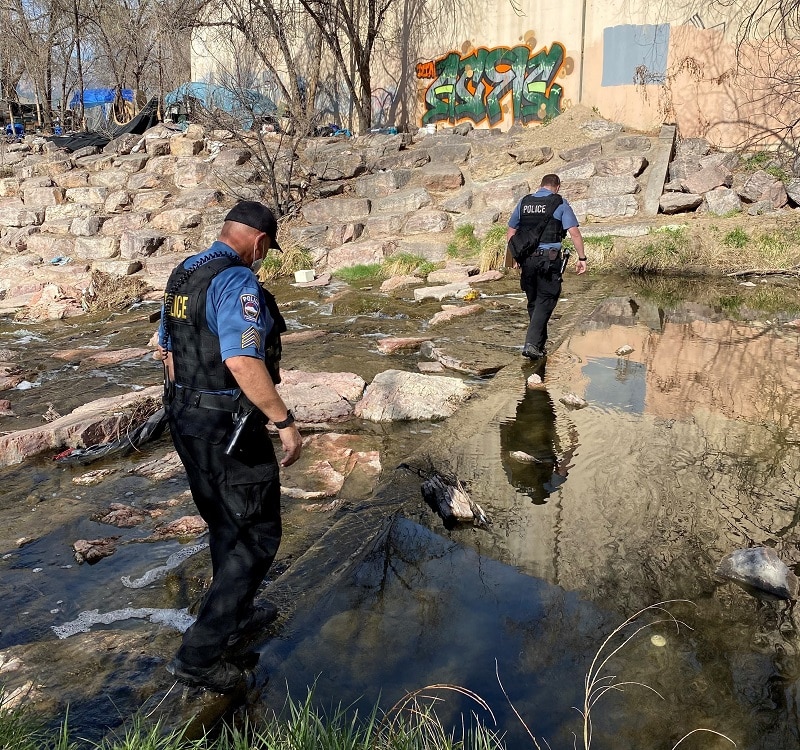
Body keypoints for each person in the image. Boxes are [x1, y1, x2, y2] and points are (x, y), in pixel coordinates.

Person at [157, 200, 302, 693]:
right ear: (259, 242)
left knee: (223, 521)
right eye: (266, 251)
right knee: (255, 538)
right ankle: (198, 656)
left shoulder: (185, 273)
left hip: (187, 421)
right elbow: (242, 360)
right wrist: (283, 421)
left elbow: (167, 349)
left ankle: (236, 616)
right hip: (228, 430)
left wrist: (189, 408)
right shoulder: (237, 281)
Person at [507, 173, 587, 359]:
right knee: (547, 299)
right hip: (548, 260)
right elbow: (574, 233)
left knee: (534, 301)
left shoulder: (524, 202)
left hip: (526, 259)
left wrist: (514, 256)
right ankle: (531, 344)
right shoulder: (560, 203)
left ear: (541, 185)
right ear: (557, 186)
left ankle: (539, 346)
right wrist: (582, 258)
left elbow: (511, 231)